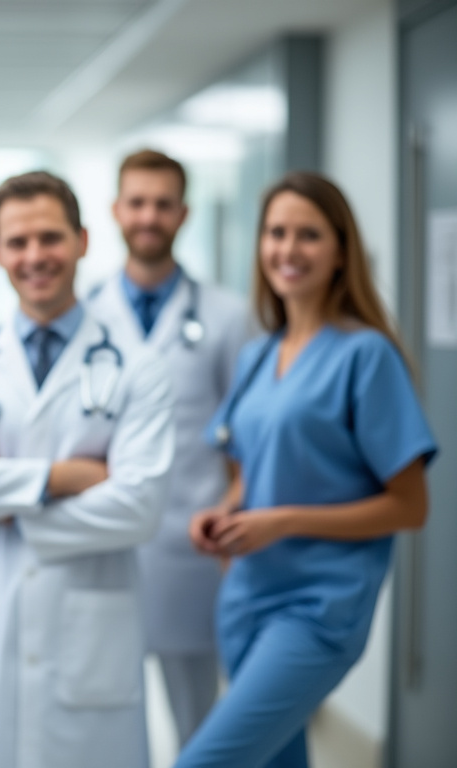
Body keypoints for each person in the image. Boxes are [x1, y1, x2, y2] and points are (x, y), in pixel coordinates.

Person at [0, 170, 175, 768]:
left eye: (50, 239)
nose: (35, 257)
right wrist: (60, 479)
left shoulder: (138, 366)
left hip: (87, 645)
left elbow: (138, 506)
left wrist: (3, 501)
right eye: (18, 242)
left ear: (83, 240)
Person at [177, 171, 436, 768]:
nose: (288, 250)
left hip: (316, 610)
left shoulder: (365, 356)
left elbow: (410, 506)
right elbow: (248, 473)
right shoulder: (257, 354)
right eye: (276, 233)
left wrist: (284, 521)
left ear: (341, 251)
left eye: (309, 235)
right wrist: (225, 511)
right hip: (244, 600)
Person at [86, 149, 252, 747]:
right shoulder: (86, 315)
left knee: (199, 728)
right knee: (107, 720)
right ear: (116, 211)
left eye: (162, 204)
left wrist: (237, 510)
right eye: (138, 202)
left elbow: (249, 440)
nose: (149, 216)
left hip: (193, 549)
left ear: (183, 214)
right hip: (106, 544)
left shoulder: (230, 317)